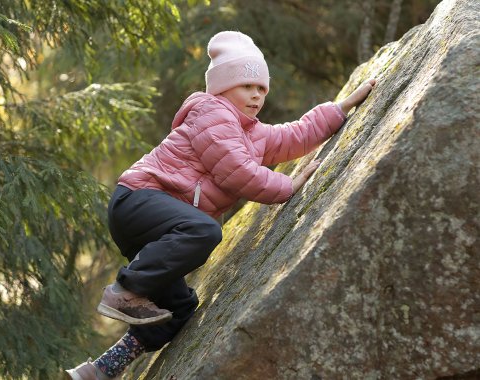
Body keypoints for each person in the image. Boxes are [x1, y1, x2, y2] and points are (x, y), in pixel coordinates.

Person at [66, 31, 375, 380]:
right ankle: (127, 290)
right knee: (204, 230)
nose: (256, 95)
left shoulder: (252, 134)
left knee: (179, 308)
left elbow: (294, 136)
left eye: (261, 89)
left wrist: (341, 108)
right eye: (247, 86)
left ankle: (101, 369)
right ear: (223, 87)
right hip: (141, 199)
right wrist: (289, 185)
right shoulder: (211, 112)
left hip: (160, 223)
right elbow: (237, 173)